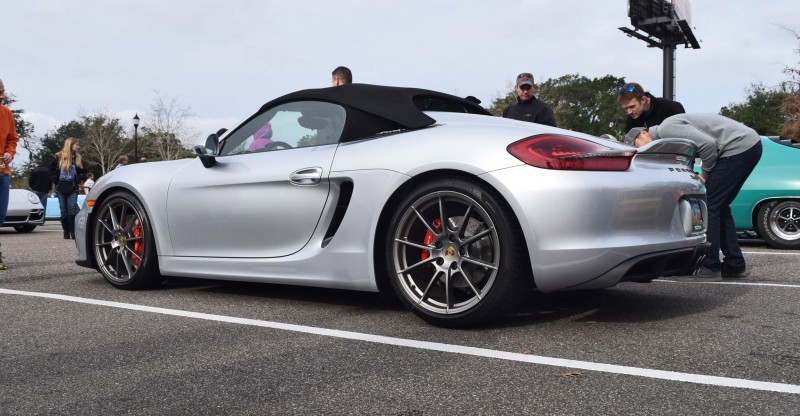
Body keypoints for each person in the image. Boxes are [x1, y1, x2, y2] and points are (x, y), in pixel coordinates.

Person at [625, 114, 763, 281]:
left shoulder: (667, 128)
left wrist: (704, 175)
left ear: (644, 134)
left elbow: (708, 145)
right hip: (747, 145)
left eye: (636, 146)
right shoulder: (670, 136)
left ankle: (710, 267)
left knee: (710, 205)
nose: (640, 151)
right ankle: (735, 265)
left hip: (738, 146)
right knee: (720, 207)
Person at [49, 138, 87, 239]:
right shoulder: (58, 156)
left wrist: (79, 178)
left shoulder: (78, 158)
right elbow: (51, 170)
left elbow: (84, 171)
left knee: (72, 208)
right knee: (63, 210)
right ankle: (66, 231)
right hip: (61, 187)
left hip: (72, 186)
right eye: (76, 145)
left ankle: (73, 231)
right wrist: (56, 180)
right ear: (70, 145)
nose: (78, 147)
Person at [0, 78, 19, 270]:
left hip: (2, 171)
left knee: (1, 214)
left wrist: (9, 152)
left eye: (2, 91)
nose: (1, 95)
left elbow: (12, 138)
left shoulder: (6, 113)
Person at [618, 82, 685, 132]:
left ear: (643, 100)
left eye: (632, 106)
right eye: (626, 108)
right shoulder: (631, 119)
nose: (629, 112)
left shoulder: (670, 108)